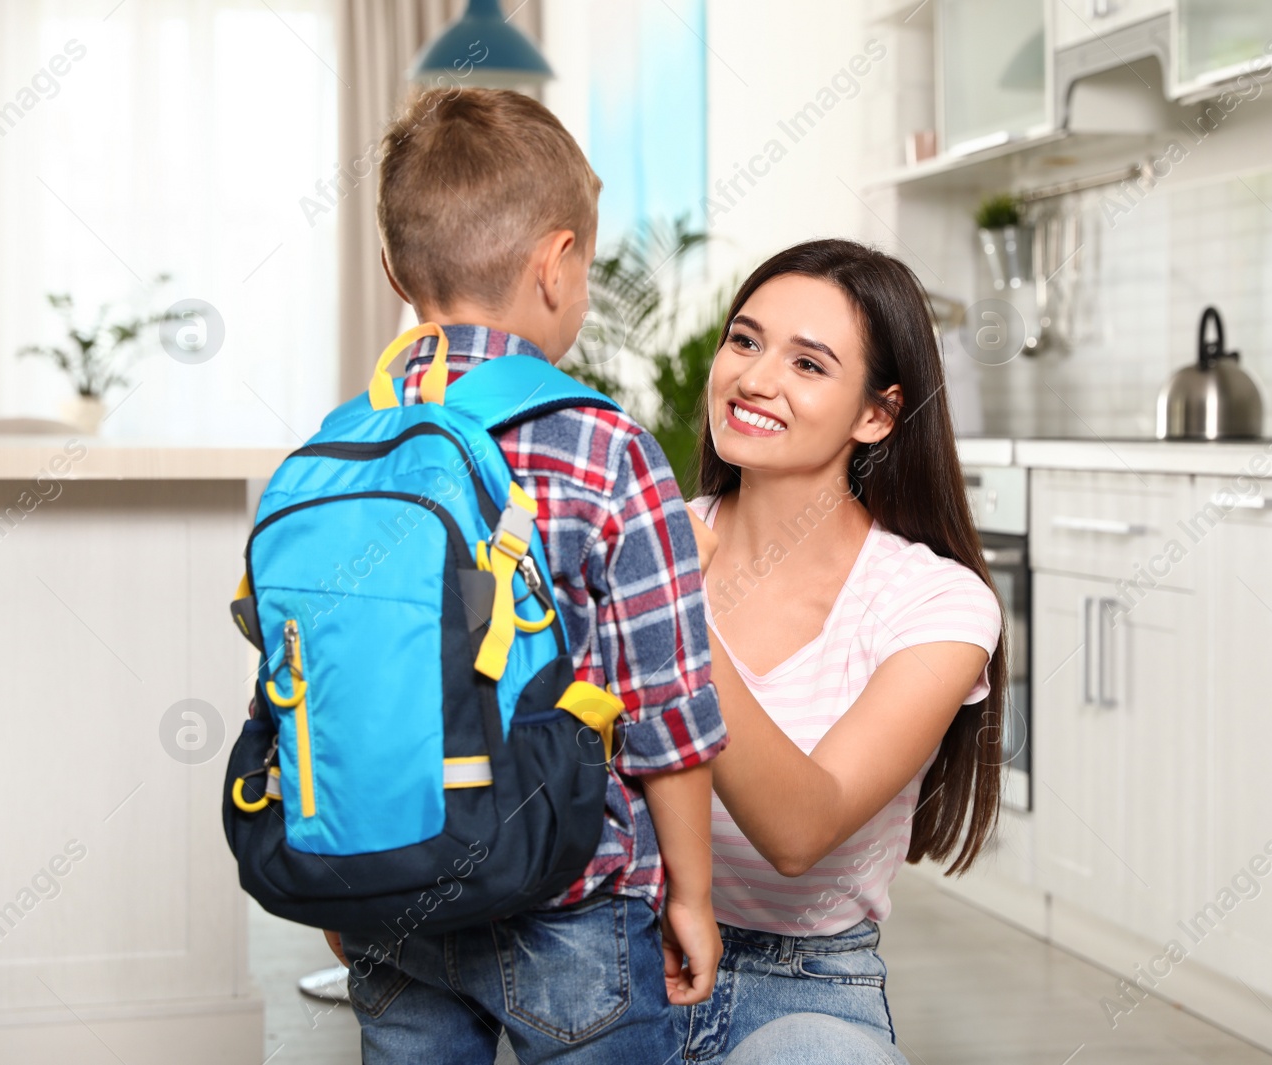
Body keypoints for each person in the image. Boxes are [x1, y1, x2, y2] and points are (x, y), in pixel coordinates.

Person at [327, 87, 727, 1064]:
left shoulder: (341, 450)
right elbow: (665, 711)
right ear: (556, 266)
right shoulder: (606, 450)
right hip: (571, 904)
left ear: (392, 268)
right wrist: (694, 895)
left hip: (389, 884)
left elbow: (324, 684)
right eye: (585, 270)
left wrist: (337, 873)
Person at [675, 239, 1009, 1064]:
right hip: (617, 961)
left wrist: (667, 610)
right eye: (745, 341)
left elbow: (799, 829)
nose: (755, 378)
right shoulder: (646, 536)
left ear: (877, 414)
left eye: (808, 364)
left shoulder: (936, 603)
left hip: (805, 986)